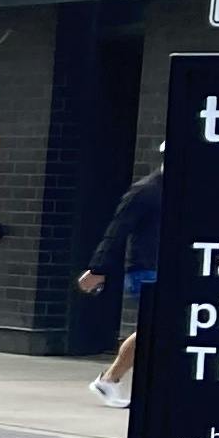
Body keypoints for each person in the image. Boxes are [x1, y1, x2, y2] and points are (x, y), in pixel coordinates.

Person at [76, 155, 161, 410]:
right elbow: (117, 230)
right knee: (156, 325)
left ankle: (110, 380)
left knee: (156, 327)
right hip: (145, 270)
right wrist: (98, 269)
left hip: (161, 269)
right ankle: (110, 379)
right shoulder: (146, 190)